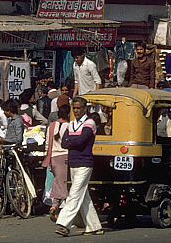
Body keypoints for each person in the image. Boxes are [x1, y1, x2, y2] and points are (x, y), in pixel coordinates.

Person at [54, 97, 103, 237]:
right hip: (73, 163)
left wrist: (71, 140)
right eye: (74, 108)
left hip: (85, 164)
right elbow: (64, 142)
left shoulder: (90, 123)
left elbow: (81, 140)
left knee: (75, 194)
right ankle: (94, 226)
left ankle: (63, 223)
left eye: (78, 108)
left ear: (84, 108)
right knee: (83, 197)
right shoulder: (71, 124)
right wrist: (73, 141)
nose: (75, 110)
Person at [43, 105, 70, 216]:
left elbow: (47, 144)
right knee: (64, 183)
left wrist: (48, 159)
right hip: (65, 157)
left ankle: (55, 205)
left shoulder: (51, 126)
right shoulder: (70, 126)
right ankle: (62, 207)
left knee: (57, 181)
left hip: (53, 157)